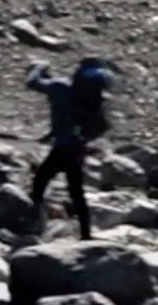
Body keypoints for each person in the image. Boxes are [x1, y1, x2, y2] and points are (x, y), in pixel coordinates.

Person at [25, 56, 115, 241]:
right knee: (77, 193)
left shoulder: (60, 87)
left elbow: (33, 82)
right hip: (77, 149)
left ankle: (35, 225)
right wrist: (82, 137)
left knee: (39, 184)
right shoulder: (97, 98)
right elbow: (103, 125)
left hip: (61, 148)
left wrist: (39, 66)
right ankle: (86, 234)